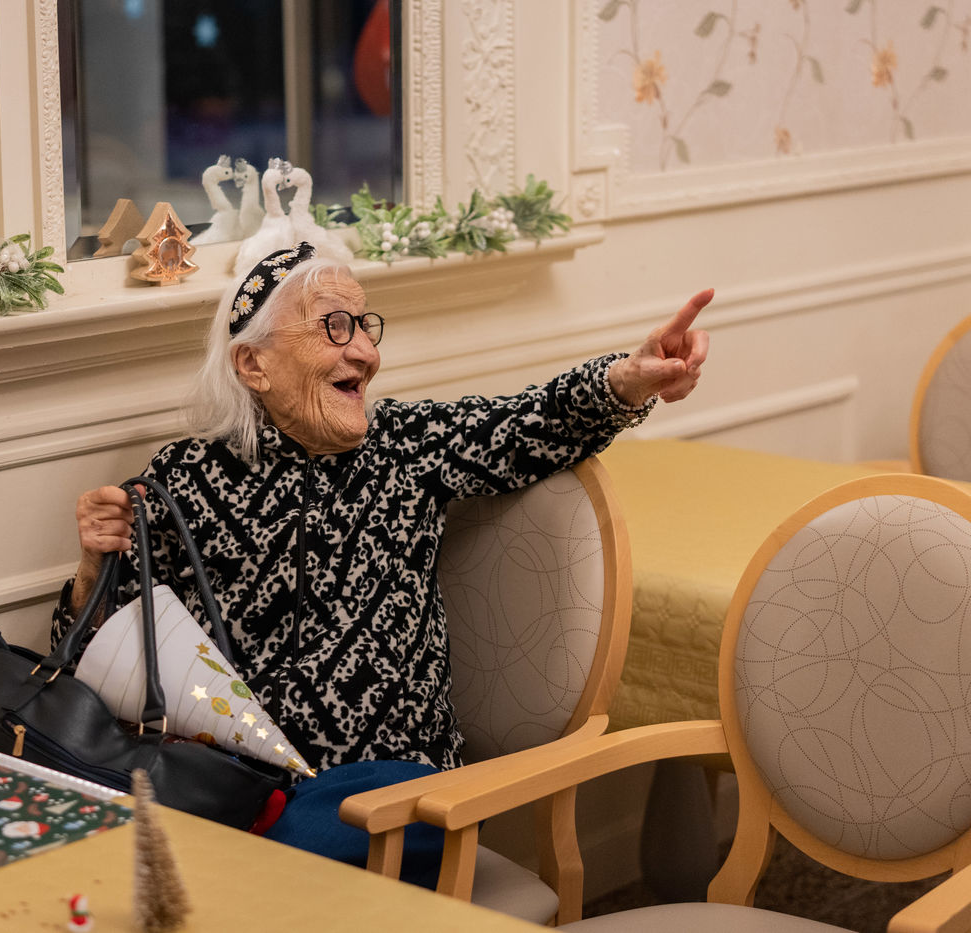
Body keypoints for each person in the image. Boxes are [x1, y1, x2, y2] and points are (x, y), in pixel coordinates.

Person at [53, 241, 710, 880]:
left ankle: (242, 868)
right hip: (233, 783)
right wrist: (93, 566)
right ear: (254, 364)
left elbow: (532, 422)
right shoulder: (185, 477)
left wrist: (629, 379)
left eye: (365, 326)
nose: (366, 351)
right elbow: (96, 656)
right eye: (334, 326)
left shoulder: (404, 447)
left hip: (389, 792)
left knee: (313, 836)